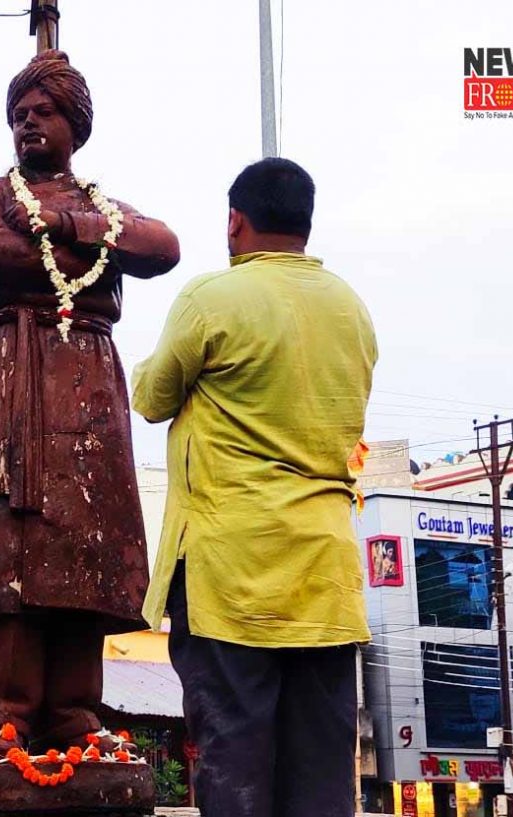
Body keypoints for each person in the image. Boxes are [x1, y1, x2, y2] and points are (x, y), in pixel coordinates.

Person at [0, 50, 179, 757]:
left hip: (87, 380)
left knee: (84, 541)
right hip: (8, 376)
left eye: (43, 113)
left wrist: (70, 228)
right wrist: (90, 256)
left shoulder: (101, 206)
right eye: (19, 115)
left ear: (76, 124)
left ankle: (75, 709)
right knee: (1, 544)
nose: (28, 125)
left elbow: (162, 246)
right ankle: (0, 709)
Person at [132, 158, 377, 817]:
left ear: (234, 221)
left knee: (236, 766)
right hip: (325, 578)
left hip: (230, 575)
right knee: (322, 779)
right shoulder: (352, 309)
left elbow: (152, 397)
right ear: (305, 223)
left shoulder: (211, 298)